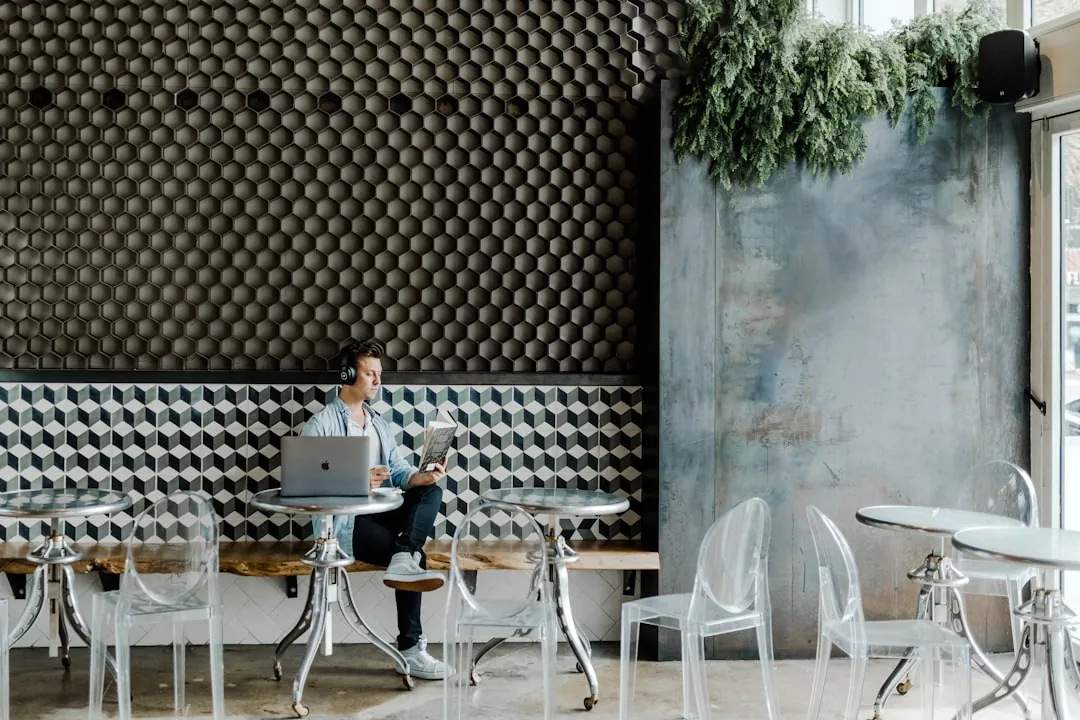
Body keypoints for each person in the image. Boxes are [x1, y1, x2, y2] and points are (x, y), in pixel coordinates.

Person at [299, 339, 451, 680]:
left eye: (379, 374)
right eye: (370, 373)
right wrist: (357, 480)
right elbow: (304, 481)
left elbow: (398, 471)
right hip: (345, 523)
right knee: (417, 560)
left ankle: (402, 555)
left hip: (382, 509)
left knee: (431, 492)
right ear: (348, 374)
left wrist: (421, 475)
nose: (378, 381)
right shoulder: (321, 424)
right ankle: (411, 650)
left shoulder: (380, 424)